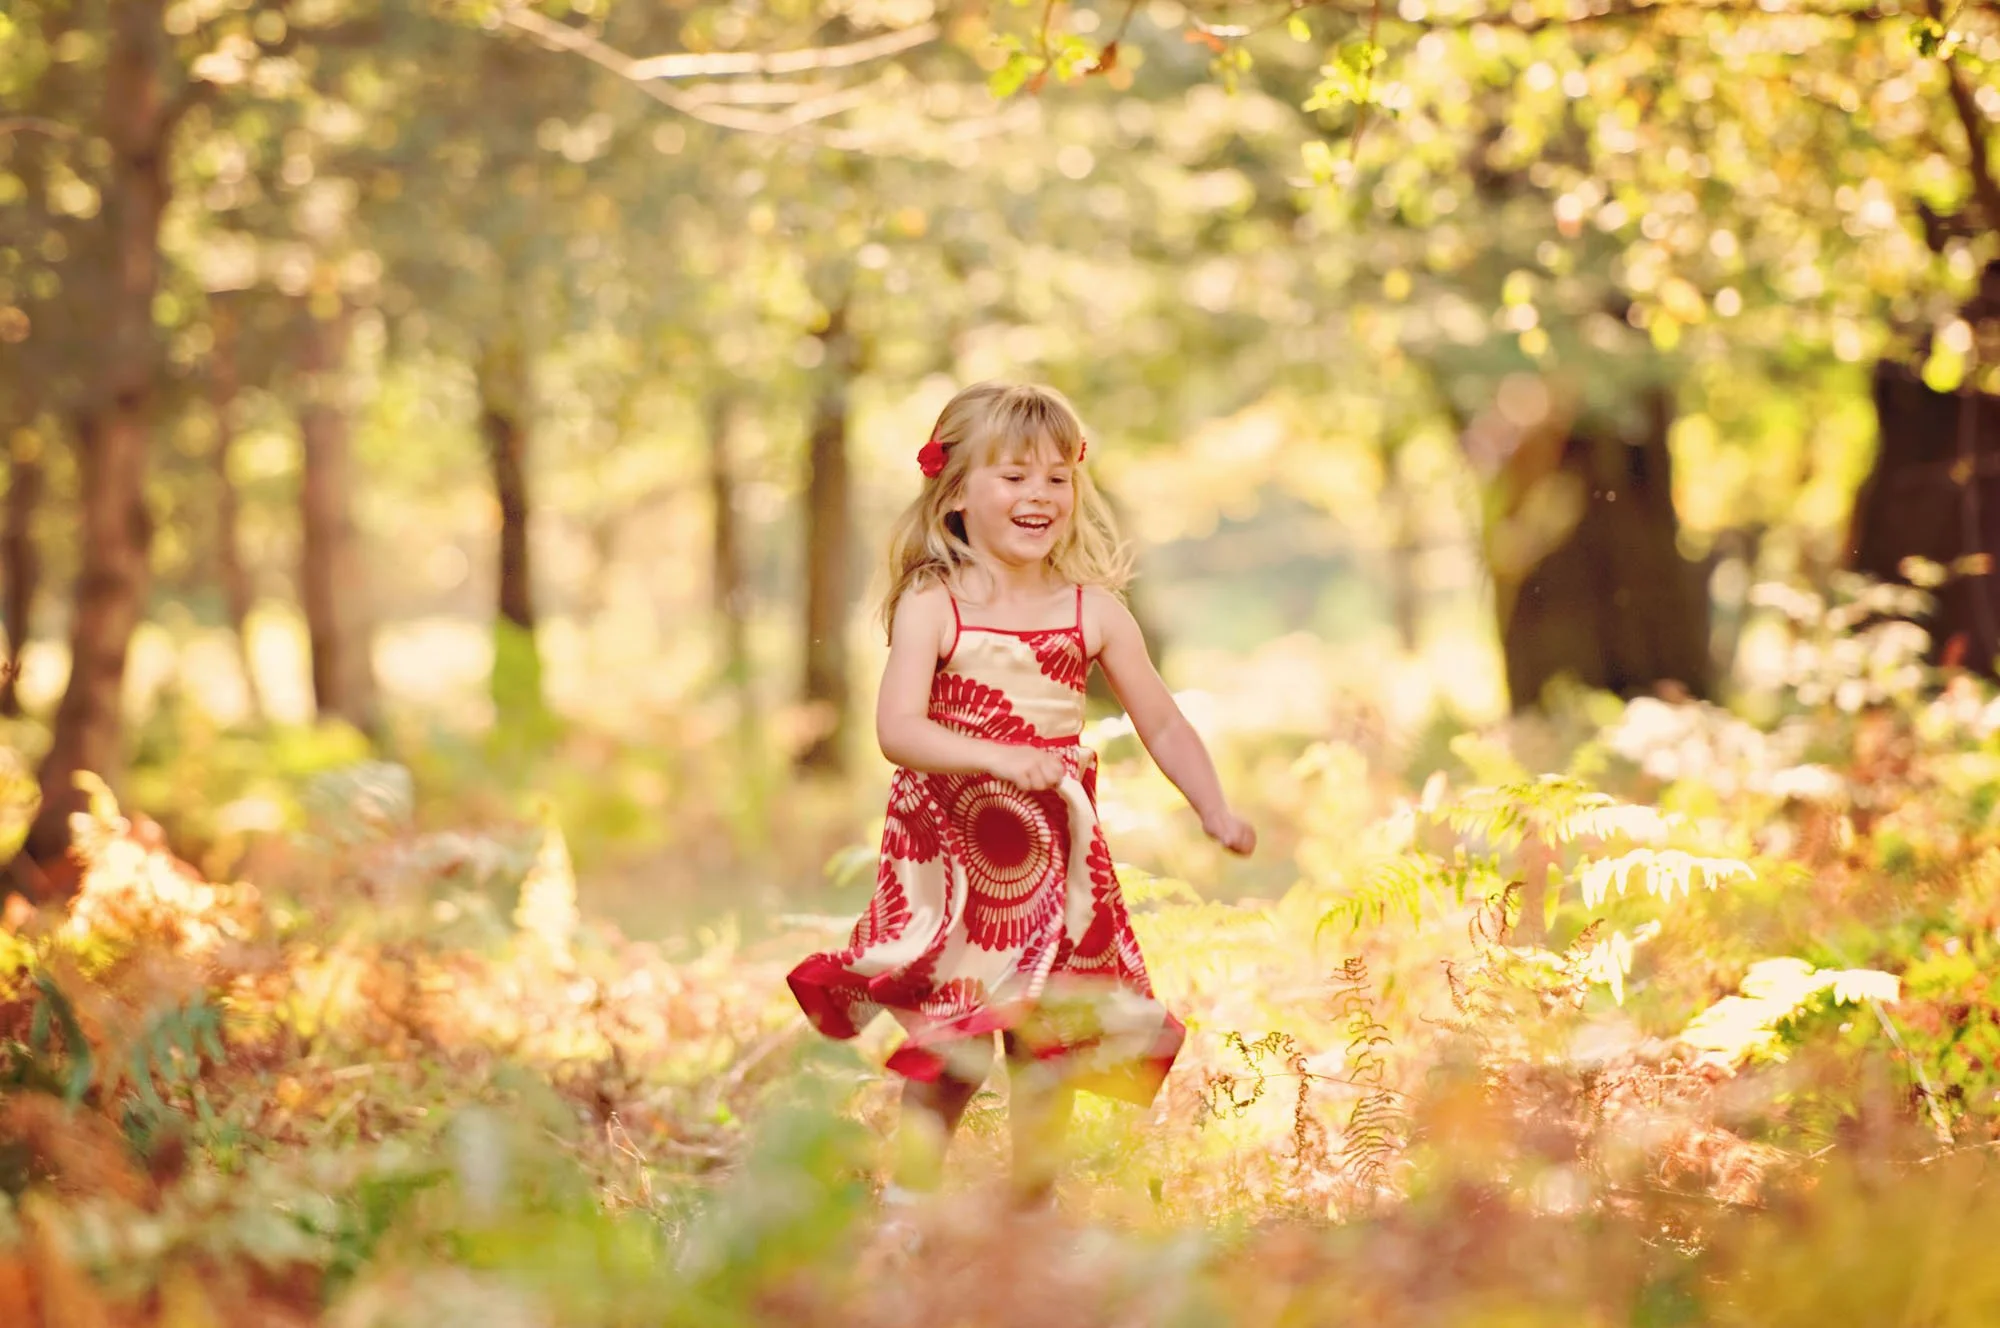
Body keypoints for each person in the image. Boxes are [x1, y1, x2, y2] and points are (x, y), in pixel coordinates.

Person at [787, 381, 1255, 1211]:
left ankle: (1026, 1219)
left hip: (1056, 861)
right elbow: (898, 729)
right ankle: (912, 1207)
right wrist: (998, 757)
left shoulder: (1094, 612)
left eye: (1056, 478)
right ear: (958, 491)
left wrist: (1212, 805)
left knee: (1052, 1041)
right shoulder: (936, 606)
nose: (1039, 495)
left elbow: (1165, 722)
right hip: (958, 862)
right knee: (955, 1045)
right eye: (1014, 476)